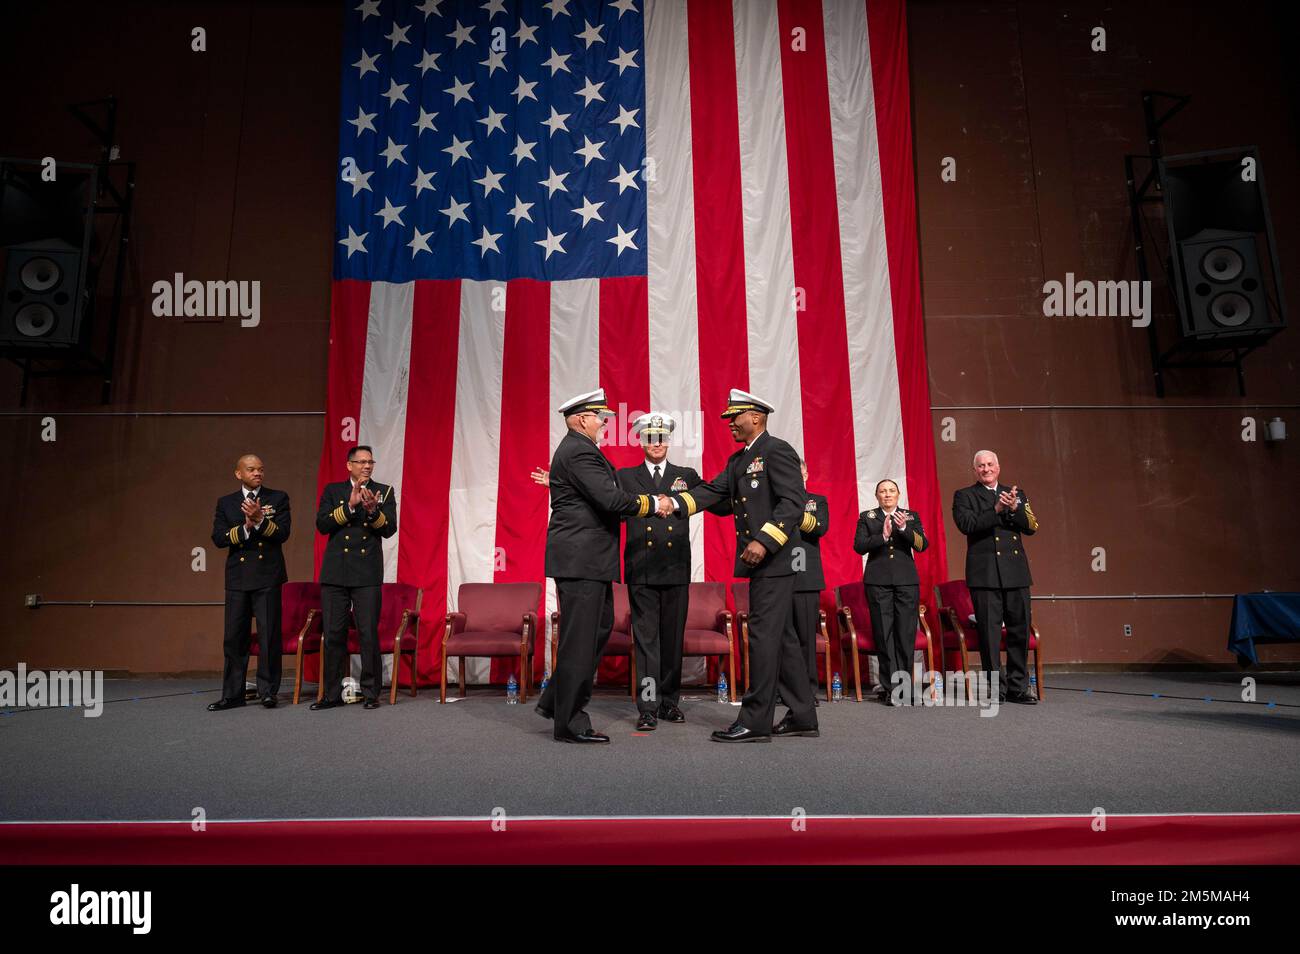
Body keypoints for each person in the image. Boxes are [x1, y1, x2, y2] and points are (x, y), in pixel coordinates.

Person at [667, 388, 818, 742]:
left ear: (756, 417)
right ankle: (803, 715)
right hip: (761, 565)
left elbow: (793, 502)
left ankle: (755, 721)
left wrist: (763, 541)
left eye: (735, 417)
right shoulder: (738, 461)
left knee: (764, 638)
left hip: (775, 560)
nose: (730, 423)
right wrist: (668, 503)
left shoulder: (777, 450)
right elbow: (714, 495)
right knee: (781, 637)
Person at [534, 389, 664, 743]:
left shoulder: (581, 450)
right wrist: (653, 503)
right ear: (580, 419)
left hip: (589, 560)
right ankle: (570, 722)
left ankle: (555, 700)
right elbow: (609, 498)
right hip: (581, 560)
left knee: (599, 627)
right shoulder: (578, 452)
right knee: (581, 639)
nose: (604, 424)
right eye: (599, 418)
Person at [312, 445, 397, 710]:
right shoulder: (333, 491)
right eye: (361, 462)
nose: (367, 466)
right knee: (334, 633)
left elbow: (389, 529)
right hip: (336, 572)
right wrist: (350, 506)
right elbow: (322, 525)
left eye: (370, 462)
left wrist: (372, 511)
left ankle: (371, 693)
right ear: (349, 465)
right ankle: (332, 694)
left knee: (367, 633)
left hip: (366, 572)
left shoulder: (384, 491)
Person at [951, 449, 1039, 704]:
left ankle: (1018, 687)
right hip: (985, 575)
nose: (986, 469)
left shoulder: (1017, 494)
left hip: (1016, 573)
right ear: (975, 470)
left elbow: (1032, 526)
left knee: (1019, 632)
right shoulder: (965, 495)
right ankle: (996, 689)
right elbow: (967, 525)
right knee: (989, 636)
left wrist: (1014, 509)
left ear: (998, 467)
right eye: (981, 466)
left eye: (990, 464)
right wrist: (998, 508)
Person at [208, 454, 290, 710]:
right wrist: (245, 527)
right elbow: (219, 538)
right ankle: (233, 694)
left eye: (261, 469)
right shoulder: (227, 503)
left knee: (268, 637)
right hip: (238, 578)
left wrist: (260, 520)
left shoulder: (277, 498)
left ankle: (268, 691)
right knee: (234, 638)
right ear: (238, 474)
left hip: (267, 575)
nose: (257, 473)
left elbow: (283, 533)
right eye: (251, 469)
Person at [853, 479, 928, 706]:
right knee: (884, 636)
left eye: (891, 491)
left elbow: (922, 545)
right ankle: (890, 689)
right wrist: (883, 537)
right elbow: (859, 546)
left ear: (898, 494)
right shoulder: (868, 517)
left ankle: (907, 687)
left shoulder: (910, 516)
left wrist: (904, 529)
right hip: (878, 582)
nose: (887, 494)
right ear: (876, 496)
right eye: (883, 491)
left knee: (905, 635)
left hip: (906, 582)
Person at [792, 458, 829, 704]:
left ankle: (806, 690)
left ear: (806, 475)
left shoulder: (817, 501)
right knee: (780, 638)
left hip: (806, 577)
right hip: (776, 577)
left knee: (806, 636)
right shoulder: (772, 500)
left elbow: (819, 528)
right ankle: (779, 689)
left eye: (799, 472)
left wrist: (794, 513)